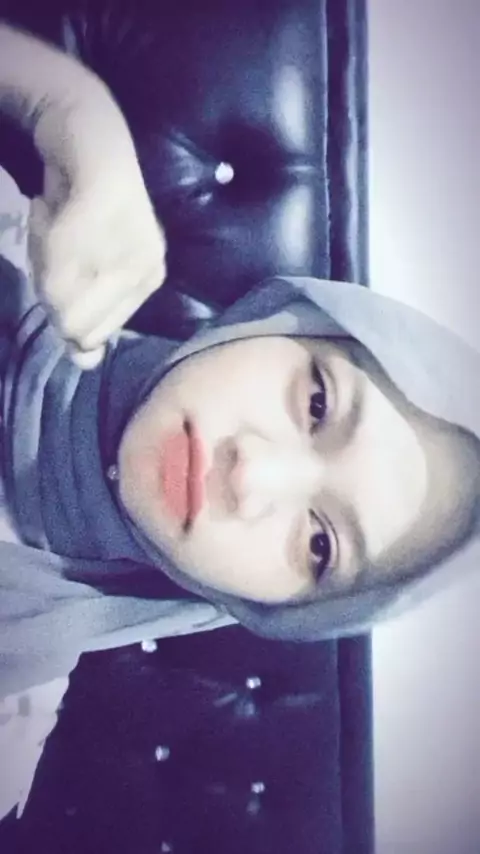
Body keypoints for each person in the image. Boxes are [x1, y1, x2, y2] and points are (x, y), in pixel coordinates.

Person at [1, 21, 479, 819]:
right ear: (273, 320)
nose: (252, 475)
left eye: (320, 545)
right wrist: (65, 106)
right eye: (318, 403)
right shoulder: (21, 239)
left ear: (276, 611)